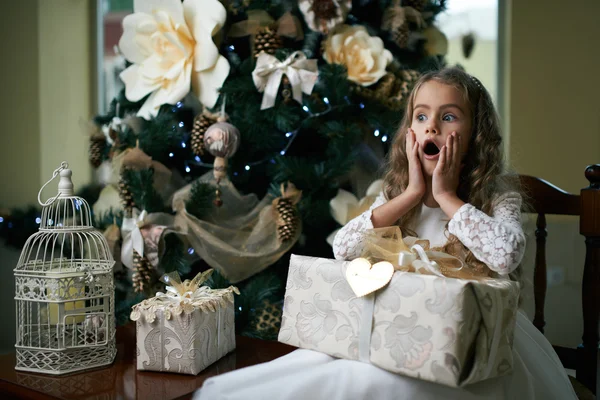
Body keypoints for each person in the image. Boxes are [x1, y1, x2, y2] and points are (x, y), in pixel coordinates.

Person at [194, 68, 578, 399]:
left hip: (470, 341)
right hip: (396, 328)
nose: (432, 126)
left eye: (449, 117)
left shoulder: (497, 197)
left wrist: (445, 196)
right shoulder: (395, 194)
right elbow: (342, 249)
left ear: (475, 133)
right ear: (411, 132)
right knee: (316, 370)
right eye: (422, 116)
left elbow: (506, 254)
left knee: (373, 385)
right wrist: (410, 195)